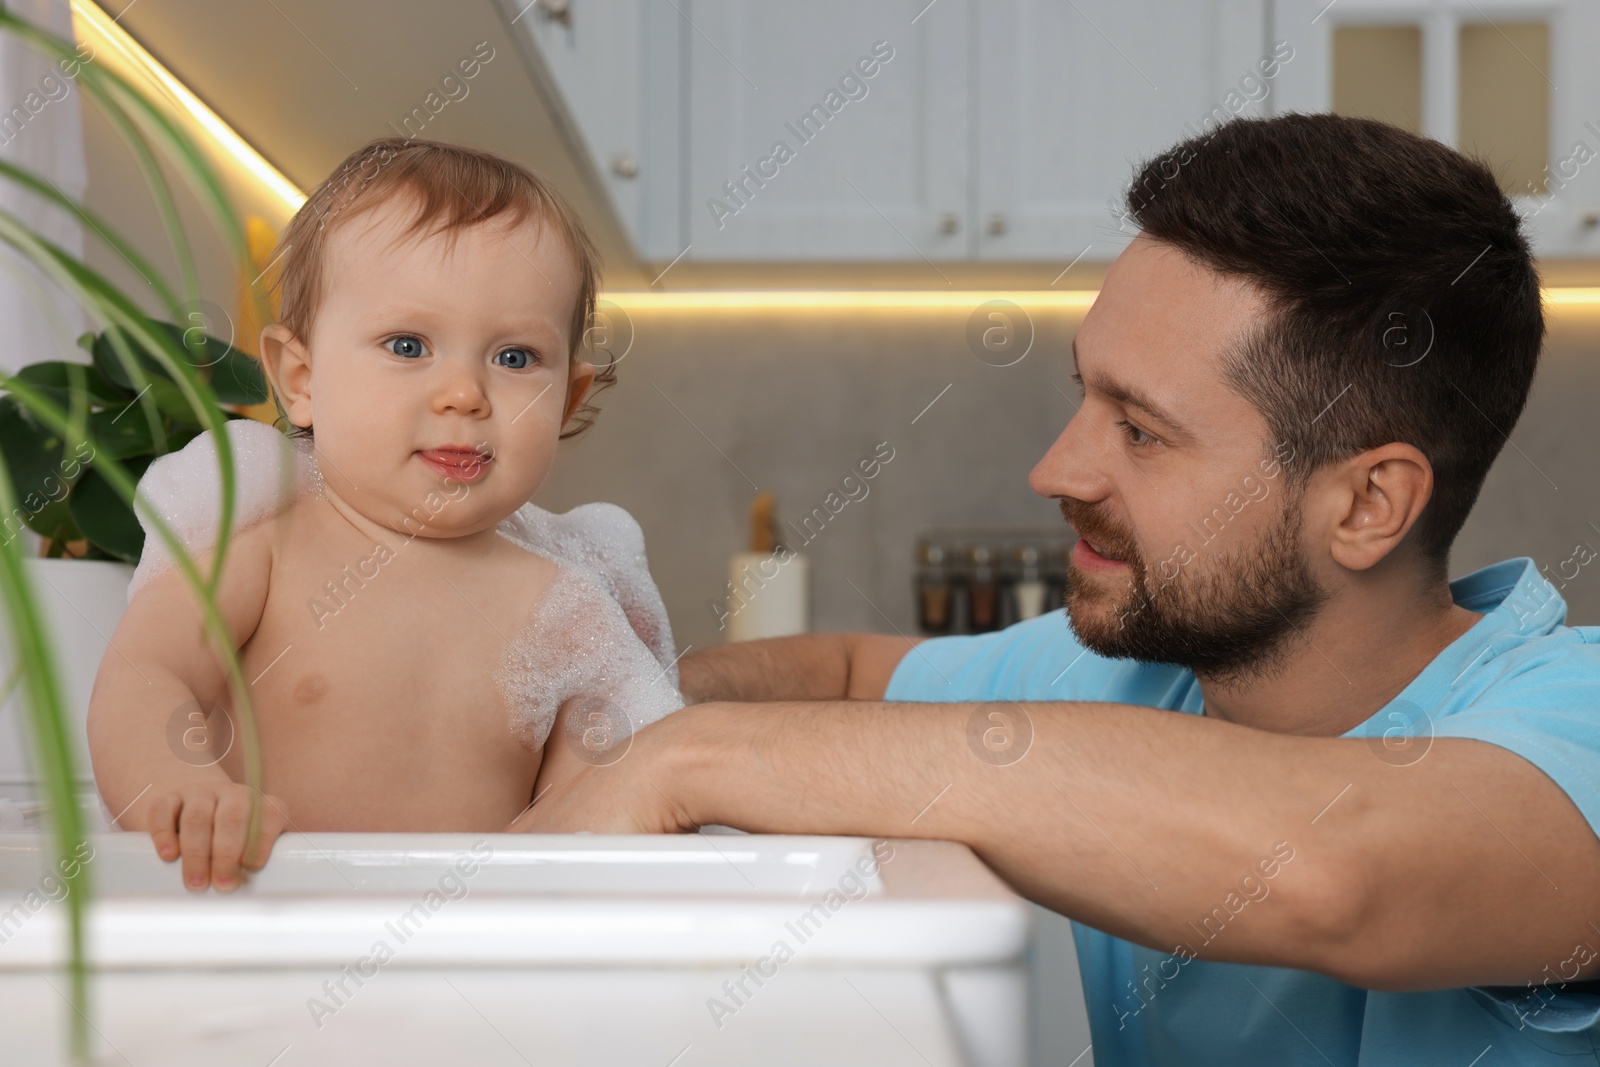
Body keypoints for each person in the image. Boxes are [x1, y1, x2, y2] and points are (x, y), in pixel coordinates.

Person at [513, 114, 1600, 1063]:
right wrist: (630, 700)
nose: (1057, 470)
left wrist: (684, 761)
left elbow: (1339, 869)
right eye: (1083, 395)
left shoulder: (1573, 716)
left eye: (1139, 429)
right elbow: (847, 673)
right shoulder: (1132, 679)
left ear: (1366, 505)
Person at [87, 138, 684, 893]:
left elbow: (597, 821)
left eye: (514, 358)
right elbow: (147, 673)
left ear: (566, 398)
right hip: (251, 919)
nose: (464, 393)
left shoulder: (569, 609)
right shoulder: (265, 550)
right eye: (409, 345)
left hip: (458, 964)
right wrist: (176, 786)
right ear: (301, 381)